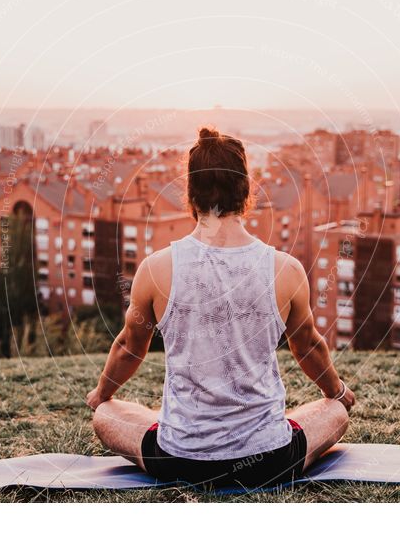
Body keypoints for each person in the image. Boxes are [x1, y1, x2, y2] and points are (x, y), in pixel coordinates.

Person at [87, 127, 355, 488]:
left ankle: (178, 427)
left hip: (178, 459)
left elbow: (129, 346)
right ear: (246, 191)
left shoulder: (155, 269)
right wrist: (336, 392)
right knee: (336, 413)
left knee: (105, 415)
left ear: (191, 195)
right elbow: (306, 346)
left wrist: (101, 395)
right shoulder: (286, 270)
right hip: (269, 461)